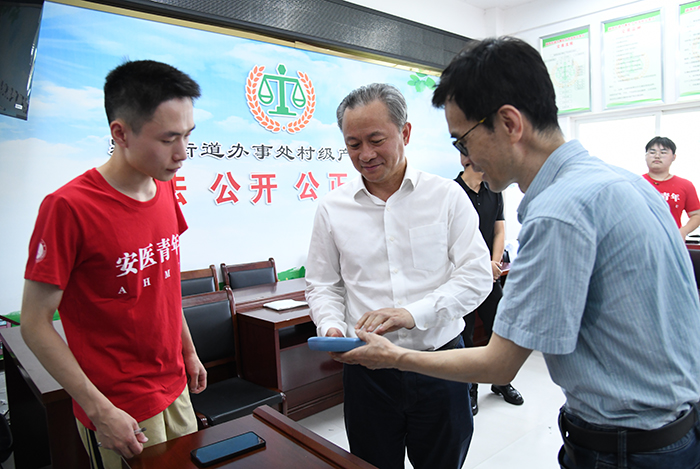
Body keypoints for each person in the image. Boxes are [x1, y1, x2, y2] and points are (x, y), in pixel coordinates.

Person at [333, 37, 700, 469]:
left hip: (625, 449)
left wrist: (395, 357)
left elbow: (500, 363)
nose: (467, 159)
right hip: (676, 430)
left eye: (463, 142)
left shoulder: (559, 212)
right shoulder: (625, 183)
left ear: (509, 123)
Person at [21, 60, 206, 468]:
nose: (182, 153)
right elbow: (34, 323)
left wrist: (188, 351)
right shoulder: (68, 208)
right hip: (119, 406)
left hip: (174, 386)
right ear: (120, 133)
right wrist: (99, 410)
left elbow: (164, 283)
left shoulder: (163, 186)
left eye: (188, 135)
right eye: (169, 139)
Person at [305, 83, 492, 469]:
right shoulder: (332, 208)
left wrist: (412, 314)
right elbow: (323, 283)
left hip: (440, 365)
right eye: (353, 144)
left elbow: (476, 275)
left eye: (376, 140)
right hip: (368, 373)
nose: (365, 154)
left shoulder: (446, 197)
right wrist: (331, 327)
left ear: (405, 132)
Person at [455, 161, 523, 415]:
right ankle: (470, 388)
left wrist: (494, 264)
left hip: (490, 276)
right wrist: (482, 266)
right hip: (461, 278)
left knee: (500, 329)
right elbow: (452, 240)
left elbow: (499, 230)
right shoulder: (452, 192)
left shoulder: (494, 189)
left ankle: (501, 381)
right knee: (467, 335)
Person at [642, 136, 700, 238]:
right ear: (646, 156)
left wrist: (683, 231)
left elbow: (696, 215)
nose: (657, 156)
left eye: (663, 152)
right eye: (652, 152)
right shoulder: (635, 184)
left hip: (672, 240)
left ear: (674, 157)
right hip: (641, 239)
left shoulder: (685, 185)